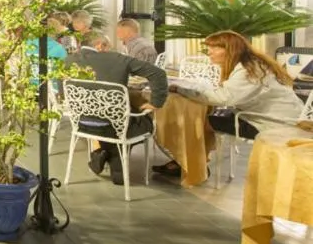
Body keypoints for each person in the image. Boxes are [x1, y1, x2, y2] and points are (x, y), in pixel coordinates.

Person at [157, 30, 306, 176]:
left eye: (215, 48)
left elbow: (224, 98)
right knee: (206, 118)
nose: (209, 52)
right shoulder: (252, 64)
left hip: (275, 123)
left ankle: (193, 165)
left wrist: (183, 90)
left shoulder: (248, 71)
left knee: (201, 121)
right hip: (285, 117)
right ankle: (192, 162)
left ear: (231, 50)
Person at [66, 32, 169, 186]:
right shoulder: (119, 59)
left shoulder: (67, 60)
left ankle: (102, 153)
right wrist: (156, 103)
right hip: (116, 125)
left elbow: (61, 89)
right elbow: (158, 73)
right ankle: (114, 161)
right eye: (108, 46)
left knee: (114, 119)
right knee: (142, 120)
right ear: (99, 45)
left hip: (81, 123)